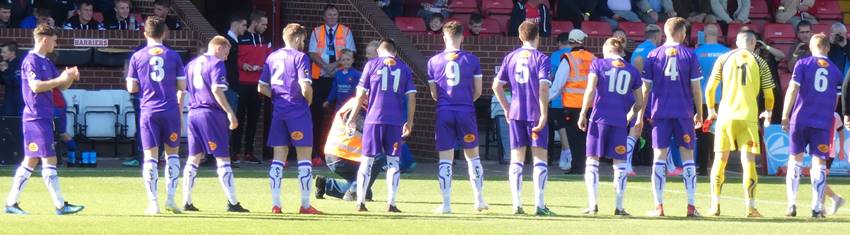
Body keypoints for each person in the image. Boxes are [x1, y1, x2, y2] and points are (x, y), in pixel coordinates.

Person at [3, 24, 84, 215]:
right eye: (54, 40)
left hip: (45, 116)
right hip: (35, 118)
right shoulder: (30, 61)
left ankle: (11, 203)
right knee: (50, 159)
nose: (56, 43)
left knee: (30, 161)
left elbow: (60, 87)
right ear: (45, 39)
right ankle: (60, 205)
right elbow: (36, 86)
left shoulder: (46, 62)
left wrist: (70, 77)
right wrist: (61, 78)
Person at [705, 29, 775, 218]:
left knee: (720, 159)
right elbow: (769, 94)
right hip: (748, 117)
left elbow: (710, 88)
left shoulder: (724, 58)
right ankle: (750, 208)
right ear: (753, 43)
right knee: (749, 161)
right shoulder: (760, 62)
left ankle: (715, 205)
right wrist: (768, 112)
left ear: (737, 42)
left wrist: (711, 110)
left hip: (726, 117)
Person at [638, 17, 703, 217]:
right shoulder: (690, 55)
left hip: (660, 113)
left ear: (665, 32)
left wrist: (640, 115)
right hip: (683, 112)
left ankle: (659, 206)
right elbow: (696, 88)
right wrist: (699, 112)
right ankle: (691, 206)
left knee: (659, 157)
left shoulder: (653, 55)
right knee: (688, 158)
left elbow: (645, 89)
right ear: (682, 33)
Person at [258, 23, 322, 215]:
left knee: (278, 159)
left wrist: (277, 97)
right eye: (303, 40)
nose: (303, 44)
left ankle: (276, 204)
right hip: (297, 110)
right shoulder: (300, 57)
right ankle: (305, 205)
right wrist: (308, 102)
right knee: (304, 158)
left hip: (279, 111)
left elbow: (261, 87)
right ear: (296, 38)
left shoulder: (272, 56)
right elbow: (305, 87)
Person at [180, 36, 249, 213]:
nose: (228, 55)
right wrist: (229, 112)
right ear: (218, 47)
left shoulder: (192, 64)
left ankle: (186, 201)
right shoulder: (217, 63)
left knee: (193, 157)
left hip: (194, 113)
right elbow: (216, 89)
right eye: (227, 50)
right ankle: (232, 202)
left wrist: (180, 114)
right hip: (211, 113)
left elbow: (181, 91)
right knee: (223, 157)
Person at [577, 37, 644, 216]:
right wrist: (629, 116)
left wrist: (583, 113)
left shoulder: (598, 64)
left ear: (606, 50)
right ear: (621, 51)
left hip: (598, 119)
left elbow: (590, 90)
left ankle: (593, 205)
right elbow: (640, 101)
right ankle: (619, 206)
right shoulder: (632, 70)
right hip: (619, 121)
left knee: (592, 161)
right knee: (620, 164)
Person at [426, 21, 489, 214]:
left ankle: (446, 204)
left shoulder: (433, 62)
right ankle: (479, 200)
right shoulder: (472, 60)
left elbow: (434, 94)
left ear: (444, 37)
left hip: (444, 111)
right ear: (462, 37)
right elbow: (478, 91)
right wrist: (465, 102)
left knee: (445, 159)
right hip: (466, 111)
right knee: (473, 157)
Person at [492, 21, 554, 216]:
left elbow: (496, 86)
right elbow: (543, 87)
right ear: (538, 37)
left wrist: (507, 108)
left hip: (517, 112)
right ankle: (540, 204)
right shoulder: (542, 58)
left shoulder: (510, 57)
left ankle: (516, 204)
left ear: (520, 37)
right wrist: (544, 113)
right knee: (539, 158)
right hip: (535, 113)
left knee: (516, 159)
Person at [347, 39, 416, 213]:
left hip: (373, 120)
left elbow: (360, 94)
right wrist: (409, 121)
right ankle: (391, 204)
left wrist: (353, 117)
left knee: (367, 160)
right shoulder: (405, 68)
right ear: (395, 52)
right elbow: (411, 97)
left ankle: (360, 203)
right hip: (394, 121)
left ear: (379, 50)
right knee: (393, 161)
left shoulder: (371, 65)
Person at [127, 16, 187, 215]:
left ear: (145, 33)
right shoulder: (174, 56)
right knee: (172, 155)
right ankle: (171, 198)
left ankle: (153, 203)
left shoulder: (137, 57)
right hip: (169, 110)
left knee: (150, 158)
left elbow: (131, 87)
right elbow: (182, 86)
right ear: (164, 33)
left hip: (148, 111)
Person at [781, 33, 842, 218]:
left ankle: (791, 205)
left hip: (800, 119)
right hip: (822, 123)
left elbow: (792, 89)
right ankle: (816, 207)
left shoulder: (802, 64)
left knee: (795, 161)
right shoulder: (836, 70)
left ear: (810, 46)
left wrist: (785, 114)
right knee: (819, 164)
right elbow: (835, 102)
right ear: (828, 48)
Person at [308, 4, 356, 161]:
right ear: (324, 16)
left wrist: (333, 66)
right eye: (329, 15)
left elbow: (349, 52)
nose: (332, 17)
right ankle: (315, 152)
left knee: (341, 115)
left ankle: (338, 152)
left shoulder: (346, 31)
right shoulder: (317, 31)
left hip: (339, 77)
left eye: (335, 14)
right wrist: (325, 67)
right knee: (317, 115)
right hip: (320, 78)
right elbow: (312, 52)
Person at [315, 98, 385, 201]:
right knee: (378, 157)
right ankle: (354, 192)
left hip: (340, 155)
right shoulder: (356, 108)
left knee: (366, 193)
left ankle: (325, 185)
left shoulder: (358, 105)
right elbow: (368, 132)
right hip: (342, 156)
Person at [552, 29, 594, 175]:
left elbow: (558, 83)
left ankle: (577, 166)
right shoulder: (593, 58)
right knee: (586, 137)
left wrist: (545, 99)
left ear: (570, 41)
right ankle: (588, 166)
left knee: (574, 138)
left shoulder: (568, 58)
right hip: (589, 105)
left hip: (572, 105)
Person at [694, 23, 728, 175]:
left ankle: (702, 167)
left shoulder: (696, 52)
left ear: (704, 35)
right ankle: (718, 167)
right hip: (723, 100)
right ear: (719, 35)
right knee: (719, 134)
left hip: (702, 99)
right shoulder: (727, 53)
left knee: (703, 134)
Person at [232, 11, 267, 164]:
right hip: (242, 84)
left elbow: (268, 59)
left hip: (257, 85)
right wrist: (243, 65)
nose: (265, 27)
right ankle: (235, 152)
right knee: (238, 119)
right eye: (263, 24)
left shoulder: (264, 40)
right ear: (255, 23)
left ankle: (248, 152)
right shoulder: (240, 38)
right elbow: (234, 59)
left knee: (253, 120)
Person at [223, 15, 247, 162]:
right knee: (227, 123)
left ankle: (227, 154)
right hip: (228, 88)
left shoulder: (235, 42)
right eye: (244, 25)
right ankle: (224, 155)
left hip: (234, 88)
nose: (245, 28)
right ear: (236, 23)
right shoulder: (226, 41)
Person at [549, 33, 572, 171]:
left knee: (562, 129)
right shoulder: (578, 56)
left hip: (558, 99)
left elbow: (551, 76)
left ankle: (567, 156)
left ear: (559, 43)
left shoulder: (556, 56)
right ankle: (565, 156)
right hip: (576, 99)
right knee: (571, 129)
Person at [0, 42, 23, 116]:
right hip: (8, 101)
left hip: (17, 103)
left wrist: (5, 71)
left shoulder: (19, 64)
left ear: (12, 53)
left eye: (4, 52)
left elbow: (16, 82)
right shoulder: (6, 64)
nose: (1, 54)